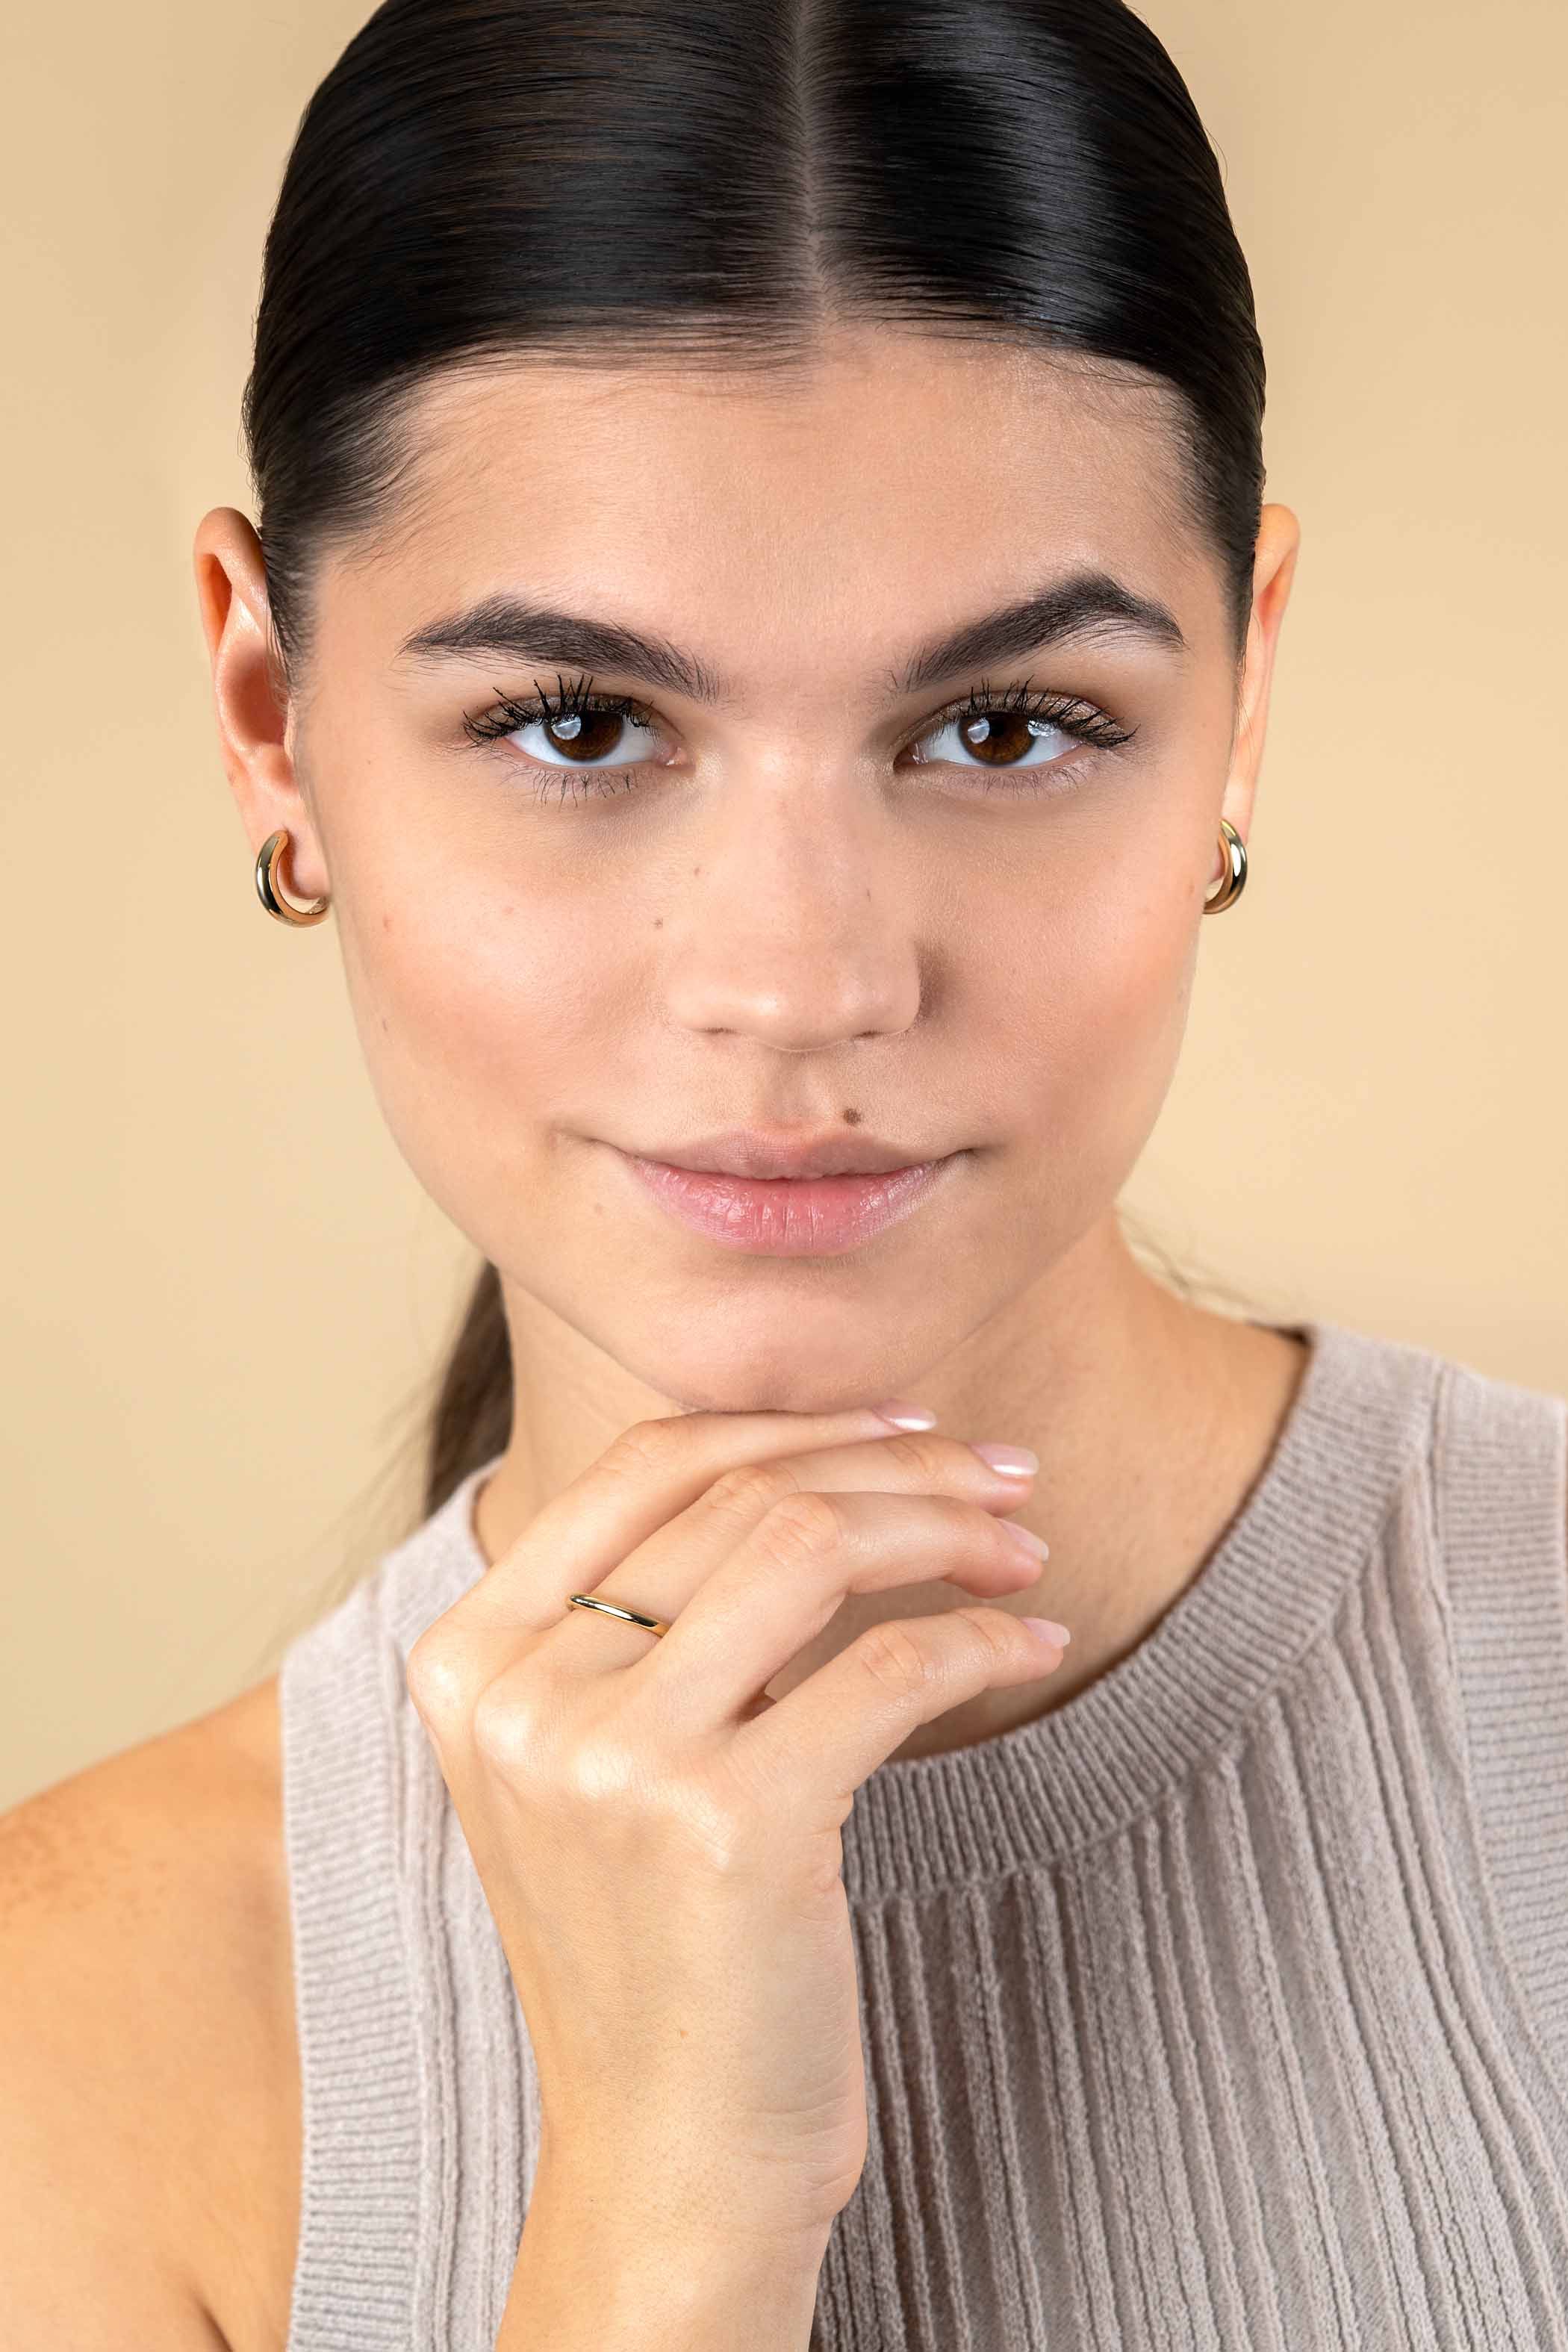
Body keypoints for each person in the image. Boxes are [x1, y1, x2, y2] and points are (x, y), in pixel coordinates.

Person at [4, 0, 1566, 2344]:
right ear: (271, 720)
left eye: (1005, 727)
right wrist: (668, 2213)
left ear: (1240, 699)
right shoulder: (69, 2046)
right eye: (577, 725)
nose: (800, 983)